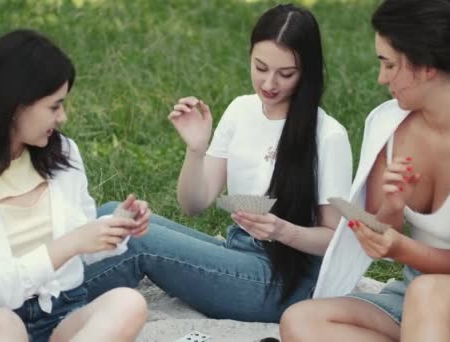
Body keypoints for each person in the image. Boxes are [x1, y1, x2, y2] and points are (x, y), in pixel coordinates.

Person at [279, 0, 450, 341]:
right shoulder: (387, 125)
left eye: (389, 64)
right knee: (300, 321)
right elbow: (379, 232)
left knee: (430, 293)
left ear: (425, 66)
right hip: (413, 291)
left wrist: (402, 249)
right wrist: (392, 208)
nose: (381, 78)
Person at [83, 3, 352, 323]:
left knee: (139, 241)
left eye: (286, 74)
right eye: (260, 67)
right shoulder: (241, 110)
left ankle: (49, 308)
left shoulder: (328, 136)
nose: (269, 84)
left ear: (306, 71)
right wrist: (196, 149)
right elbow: (194, 205)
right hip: (238, 250)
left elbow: (334, 241)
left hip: (283, 281)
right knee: (114, 215)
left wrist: (284, 231)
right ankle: (51, 289)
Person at [0, 29, 150, 342]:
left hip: (63, 312)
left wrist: (115, 227)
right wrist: (68, 244)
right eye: (54, 106)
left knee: (128, 302)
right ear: (16, 105)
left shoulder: (63, 154)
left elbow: (81, 243)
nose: (63, 117)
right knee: (3, 326)